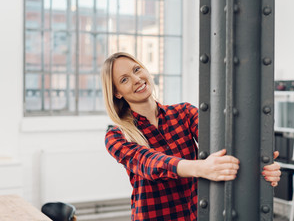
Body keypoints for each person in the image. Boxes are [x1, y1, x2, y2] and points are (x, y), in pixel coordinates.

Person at [101, 52, 281, 221]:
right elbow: (149, 163)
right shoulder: (117, 136)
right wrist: (201, 168)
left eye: (136, 69)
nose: (136, 79)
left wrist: (259, 166)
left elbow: (223, 144)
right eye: (124, 79)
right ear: (117, 93)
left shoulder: (184, 113)